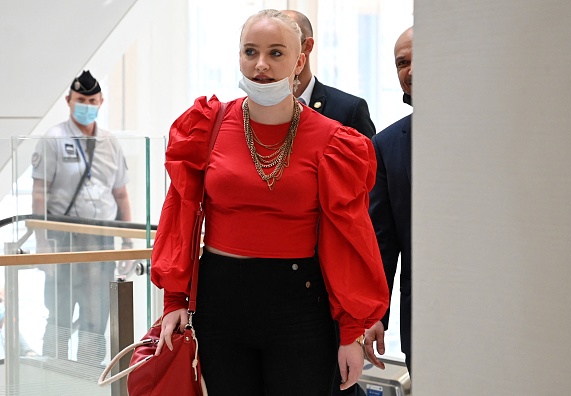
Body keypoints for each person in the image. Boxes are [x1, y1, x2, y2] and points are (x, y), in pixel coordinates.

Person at [151, 9, 389, 395]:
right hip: (220, 299)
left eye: (276, 53)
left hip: (300, 302)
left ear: (300, 58)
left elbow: (350, 237)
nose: (261, 65)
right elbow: (178, 215)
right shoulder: (206, 125)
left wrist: (351, 331)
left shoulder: (334, 142)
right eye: (250, 51)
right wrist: (173, 298)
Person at [282, 9, 376, 395]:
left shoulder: (346, 110)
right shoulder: (245, 115)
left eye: (279, 50)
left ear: (305, 50)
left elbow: (362, 208)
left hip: (327, 275)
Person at [31, 70, 132, 366]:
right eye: (80, 99)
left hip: (101, 238)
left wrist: (127, 241)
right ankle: (56, 368)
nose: (86, 104)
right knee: (60, 309)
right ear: (68, 100)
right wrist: (42, 244)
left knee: (96, 311)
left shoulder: (110, 142)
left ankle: (89, 372)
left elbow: (121, 195)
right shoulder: (53, 139)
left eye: (91, 100)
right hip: (63, 238)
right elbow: (40, 194)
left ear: (101, 101)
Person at [365, 26, 413, 375]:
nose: (410, 71)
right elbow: (383, 241)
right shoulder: (386, 144)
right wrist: (374, 315)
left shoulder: (490, 132)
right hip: (423, 319)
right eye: (402, 62)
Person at [281, 10, 376, 140]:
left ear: (307, 46)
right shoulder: (256, 109)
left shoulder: (348, 109)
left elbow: (368, 158)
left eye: (280, 46)